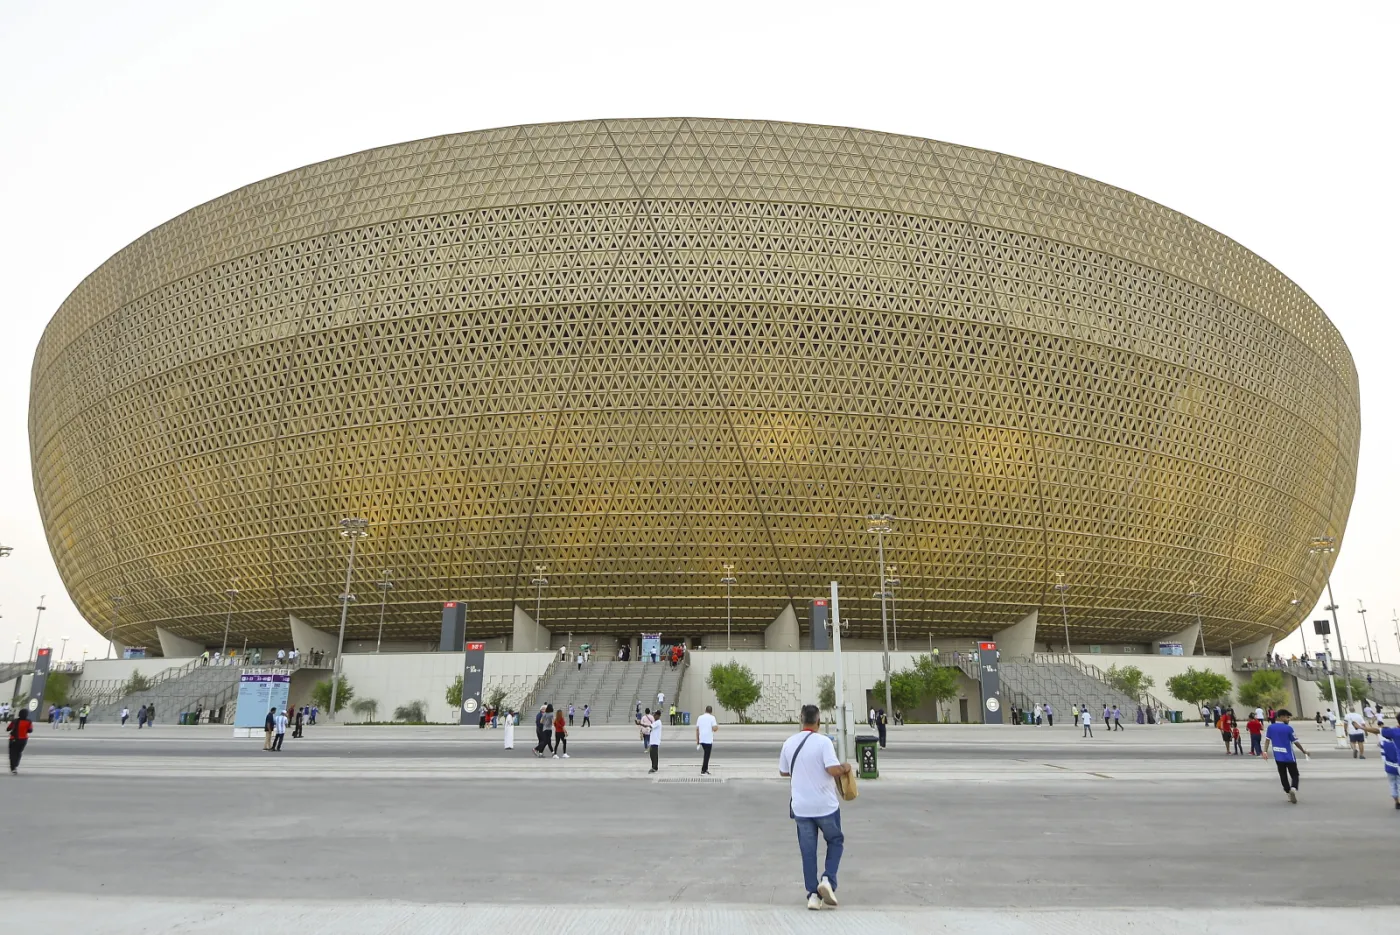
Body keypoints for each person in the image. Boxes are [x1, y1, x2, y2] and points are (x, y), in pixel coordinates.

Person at [778, 704, 852, 911]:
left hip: (801, 807)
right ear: (818, 721)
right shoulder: (824, 742)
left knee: (808, 851)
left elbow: (784, 771)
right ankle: (827, 880)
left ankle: (812, 895)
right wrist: (845, 767)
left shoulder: (789, 742)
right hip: (825, 806)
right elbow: (832, 769)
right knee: (835, 840)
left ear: (801, 720)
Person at [1263, 709, 1308, 804]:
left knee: (1283, 775)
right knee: (1295, 774)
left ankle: (1288, 792)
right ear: (1281, 717)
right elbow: (1295, 742)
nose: (1289, 719)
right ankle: (1293, 788)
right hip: (1289, 757)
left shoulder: (1271, 727)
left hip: (1278, 757)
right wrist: (1304, 751)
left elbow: (1267, 740)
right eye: (1287, 717)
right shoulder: (1288, 728)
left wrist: (1265, 752)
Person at [1359, 713, 1400, 809]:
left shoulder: (1394, 732)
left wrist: (1361, 727)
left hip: (1394, 765)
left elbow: (1376, 730)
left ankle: (1397, 801)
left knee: (1393, 784)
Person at [7, 705, 33, 774]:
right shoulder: (29, 721)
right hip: (23, 740)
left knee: (12, 754)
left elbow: (8, 728)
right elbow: (30, 730)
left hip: (13, 739)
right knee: (18, 753)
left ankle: (13, 768)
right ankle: (16, 765)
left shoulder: (15, 721)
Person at [696, 705, 718, 774]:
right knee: (707, 755)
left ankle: (705, 769)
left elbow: (697, 729)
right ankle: (703, 770)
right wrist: (717, 727)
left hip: (701, 738)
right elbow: (714, 729)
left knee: (706, 754)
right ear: (711, 711)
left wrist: (697, 741)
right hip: (708, 739)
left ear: (705, 710)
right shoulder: (712, 718)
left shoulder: (700, 717)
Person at [646, 705, 662, 773]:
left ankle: (654, 767)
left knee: (654, 755)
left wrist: (640, 724)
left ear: (658, 716)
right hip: (653, 741)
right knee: (652, 755)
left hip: (655, 741)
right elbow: (650, 728)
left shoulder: (658, 722)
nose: (654, 716)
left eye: (655, 715)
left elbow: (650, 726)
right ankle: (654, 766)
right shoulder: (656, 722)